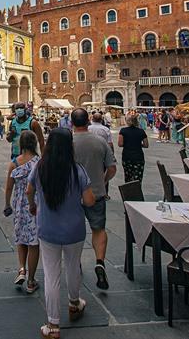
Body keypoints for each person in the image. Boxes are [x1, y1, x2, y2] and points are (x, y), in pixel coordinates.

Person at [27, 128, 95, 338]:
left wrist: (33, 206)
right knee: (73, 267)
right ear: (69, 146)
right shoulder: (78, 170)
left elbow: (29, 191)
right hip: (74, 229)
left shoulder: (40, 168)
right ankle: (74, 304)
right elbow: (90, 200)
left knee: (51, 275)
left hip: (48, 229)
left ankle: (53, 325)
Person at [71, 108, 117, 290]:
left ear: (72, 123)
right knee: (98, 229)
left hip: (73, 196)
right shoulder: (100, 142)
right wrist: (102, 182)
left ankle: (76, 263)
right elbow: (112, 168)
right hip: (96, 193)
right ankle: (99, 262)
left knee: (75, 231)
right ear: (87, 121)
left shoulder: (68, 143)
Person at [3, 130, 40, 293]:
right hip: (35, 205)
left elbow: (9, 187)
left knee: (20, 239)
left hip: (19, 204)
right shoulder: (40, 162)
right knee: (33, 242)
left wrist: (7, 204)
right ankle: (31, 281)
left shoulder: (14, 163)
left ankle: (21, 269)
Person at [118, 113, 149, 182]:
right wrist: (138, 144)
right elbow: (146, 145)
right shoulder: (141, 131)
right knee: (138, 178)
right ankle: (137, 191)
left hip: (127, 156)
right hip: (138, 157)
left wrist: (128, 144)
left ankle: (128, 192)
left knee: (128, 177)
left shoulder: (123, 131)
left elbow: (120, 144)